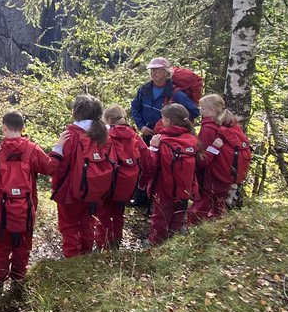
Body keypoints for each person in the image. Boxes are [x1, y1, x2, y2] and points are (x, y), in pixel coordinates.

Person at [0, 110, 52, 289]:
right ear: (22, 128)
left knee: (1, 244)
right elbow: (51, 167)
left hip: (1, 210)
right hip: (26, 209)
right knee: (23, 242)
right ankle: (19, 276)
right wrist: (59, 148)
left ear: (4, 129)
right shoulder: (33, 149)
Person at [49, 95, 114, 258]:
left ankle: (72, 259)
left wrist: (57, 147)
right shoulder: (104, 135)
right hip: (96, 190)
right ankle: (85, 257)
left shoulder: (71, 135)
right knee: (88, 224)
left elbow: (60, 166)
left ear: (76, 112)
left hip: (71, 191)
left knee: (69, 226)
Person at [94, 105, 149, 250]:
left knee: (103, 214)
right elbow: (147, 159)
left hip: (108, 181)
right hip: (127, 183)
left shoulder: (105, 135)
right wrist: (143, 182)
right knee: (118, 213)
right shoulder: (134, 136)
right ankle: (115, 243)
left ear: (108, 119)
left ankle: (102, 243)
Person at [146, 103, 199, 245]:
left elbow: (150, 165)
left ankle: (155, 244)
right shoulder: (192, 139)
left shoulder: (162, 140)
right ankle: (173, 244)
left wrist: (153, 147)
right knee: (178, 214)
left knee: (160, 216)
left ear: (168, 121)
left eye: (162, 118)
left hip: (163, 185)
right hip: (185, 185)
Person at [191, 94, 248, 223]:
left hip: (212, 174)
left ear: (212, 111)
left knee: (200, 207)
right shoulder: (230, 125)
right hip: (225, 173)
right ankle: (217, 230)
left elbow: (202, 159)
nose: (201, 112)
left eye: (203, 109)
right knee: (218, 206)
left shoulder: (208, 129)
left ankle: (195, 235)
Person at [130, 57, 200, 137]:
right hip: (147, 135)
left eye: (158, 69)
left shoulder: (176, 94)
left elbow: (194, 112)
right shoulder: (144, 90)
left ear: (166, 72)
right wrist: (141, 126)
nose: (154, 72)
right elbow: (135, 107)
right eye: (152, 70)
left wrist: (173, 128)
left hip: (168, 138)